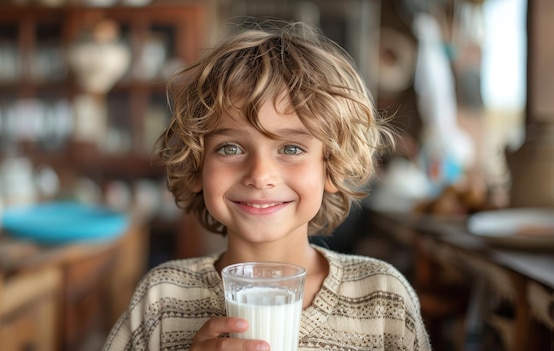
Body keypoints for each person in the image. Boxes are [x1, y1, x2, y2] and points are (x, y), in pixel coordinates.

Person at [103, 20, 431, 351]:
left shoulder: (382, 298)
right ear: (198, 166)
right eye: (230, 148)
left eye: (291, 149)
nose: (260, 176)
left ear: (331, 168)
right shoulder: (162, 299)